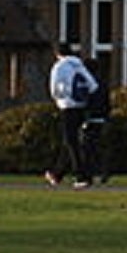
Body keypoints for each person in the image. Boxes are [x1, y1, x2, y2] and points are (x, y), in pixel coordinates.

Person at [46, 42, 101, 187]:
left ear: (57, 54)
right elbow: (93, 85)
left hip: (67, 107)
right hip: (81, 107)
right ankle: (56, 174)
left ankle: (81, 176)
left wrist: (62, 98)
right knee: (69, 142)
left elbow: (53, 90)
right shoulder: (79, 65)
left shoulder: (59, 67)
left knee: (71, 143)